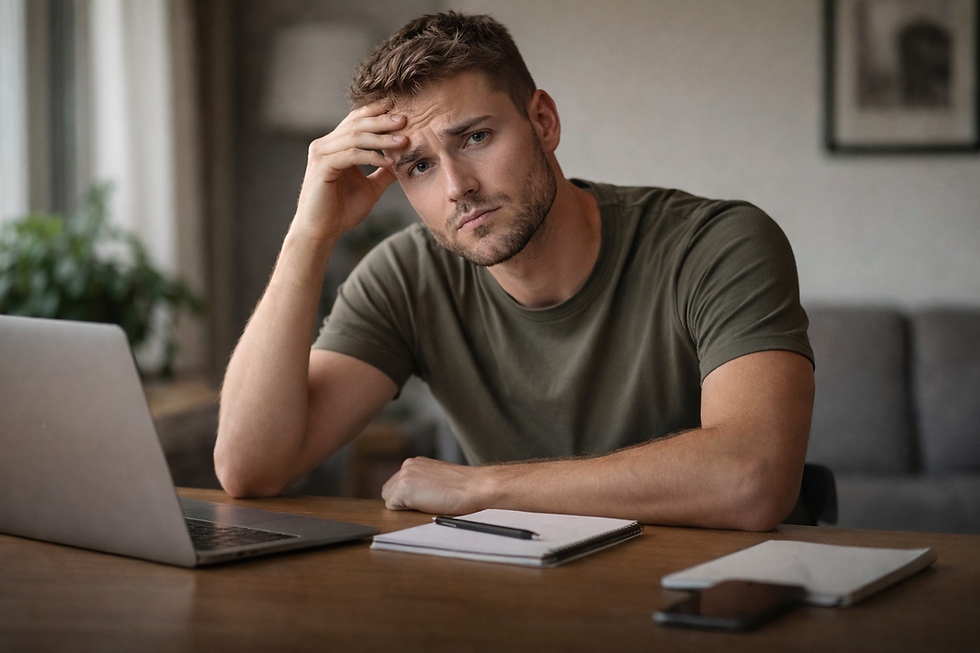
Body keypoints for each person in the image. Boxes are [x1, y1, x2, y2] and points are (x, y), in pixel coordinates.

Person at [214, 12, 815, 531]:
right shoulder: (407, 275)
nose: (457, 188)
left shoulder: (716, 245)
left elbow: (752, 477)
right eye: (419, 167)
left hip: (704, 601)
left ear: (544, 122)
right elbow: (251, 468)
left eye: (475, 137)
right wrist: (307, 235)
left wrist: (481, 489)